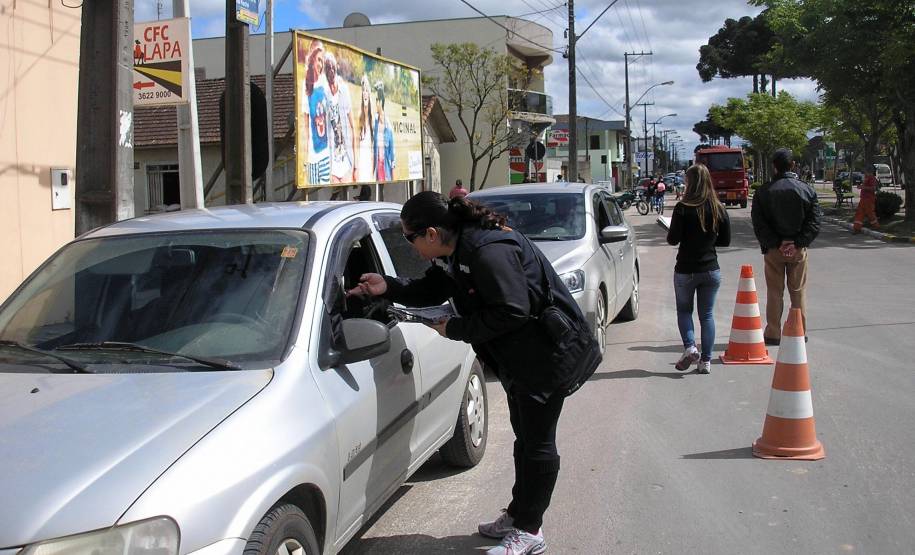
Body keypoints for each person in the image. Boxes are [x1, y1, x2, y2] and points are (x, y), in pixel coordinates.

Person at [348, 191, 594, 555]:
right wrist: (389, 286)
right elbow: (431, 289)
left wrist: (457, 328)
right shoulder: (457, 252)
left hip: (544, 358)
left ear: (431, 233)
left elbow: (512, 310)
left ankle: (530, 531)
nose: (411, 246)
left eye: (410, 238)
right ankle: (518, 514)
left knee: (538, 444)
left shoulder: (487, 251)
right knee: (524, 439)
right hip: (518, 360)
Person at [751, 148, 821, 345]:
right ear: (793, 165)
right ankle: (800, 330)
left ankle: (773, 332)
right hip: (798, 250)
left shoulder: (763, 192)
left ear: (774, 167)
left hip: (774, 250)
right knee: (797, 291)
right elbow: (814, 222)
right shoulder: (807, 190)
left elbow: (759, 223)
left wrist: (776, 242)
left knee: (775, 292)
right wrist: (797, 242)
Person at [667, 164, 731, 374]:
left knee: (684, 310)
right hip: (711, 269)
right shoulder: (718, 207)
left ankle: (690, 347)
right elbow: (725, 241)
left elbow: (672, 239)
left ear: (690, 182)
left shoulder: (682, 208)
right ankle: (705, 362)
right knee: (707, 315)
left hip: (685, 269)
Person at [301, 40, 331, 185]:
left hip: (326, 154)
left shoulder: (325, 84)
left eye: (323, 61)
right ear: (312, 59)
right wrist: (305, 157)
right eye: (319, 59)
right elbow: (305, 126)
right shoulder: (305, 86)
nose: (320, 64)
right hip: (313, 156)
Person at [324, 51, 357, 184]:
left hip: (346, 159)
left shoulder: (344, 90)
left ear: (336, 68)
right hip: (331, 161)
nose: (331, 71)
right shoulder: (323, 93)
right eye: (328, 68)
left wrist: (355, 165)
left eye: (333, 67)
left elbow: (353, 127)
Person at [373, 82, 395, 182]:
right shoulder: (374, 122)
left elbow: (392, 153)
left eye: (377, 101)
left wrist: (393, 176)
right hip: (377, 167)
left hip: (385, 168)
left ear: (381, 102)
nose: (375, 104)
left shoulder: (388, 127)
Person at [355, 74, 375, 183]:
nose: (365, 94)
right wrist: (356, 167)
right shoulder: (359, 116)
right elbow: (357, 144)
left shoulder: (372, 119)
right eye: (363, 91)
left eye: (367, 91)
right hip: (361, 162)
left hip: (369, 162)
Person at [853, 165, 880, 232]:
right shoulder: (866, 178)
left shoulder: (872, 178)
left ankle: (876, 226)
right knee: (860, 213)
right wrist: (861, 186)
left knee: (870, 213)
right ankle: (857, 228)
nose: (864, 172)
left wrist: (863, 187)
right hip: (863, 198)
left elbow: (873, 188)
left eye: (865, 171)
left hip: (869, 199)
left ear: (869, 171)